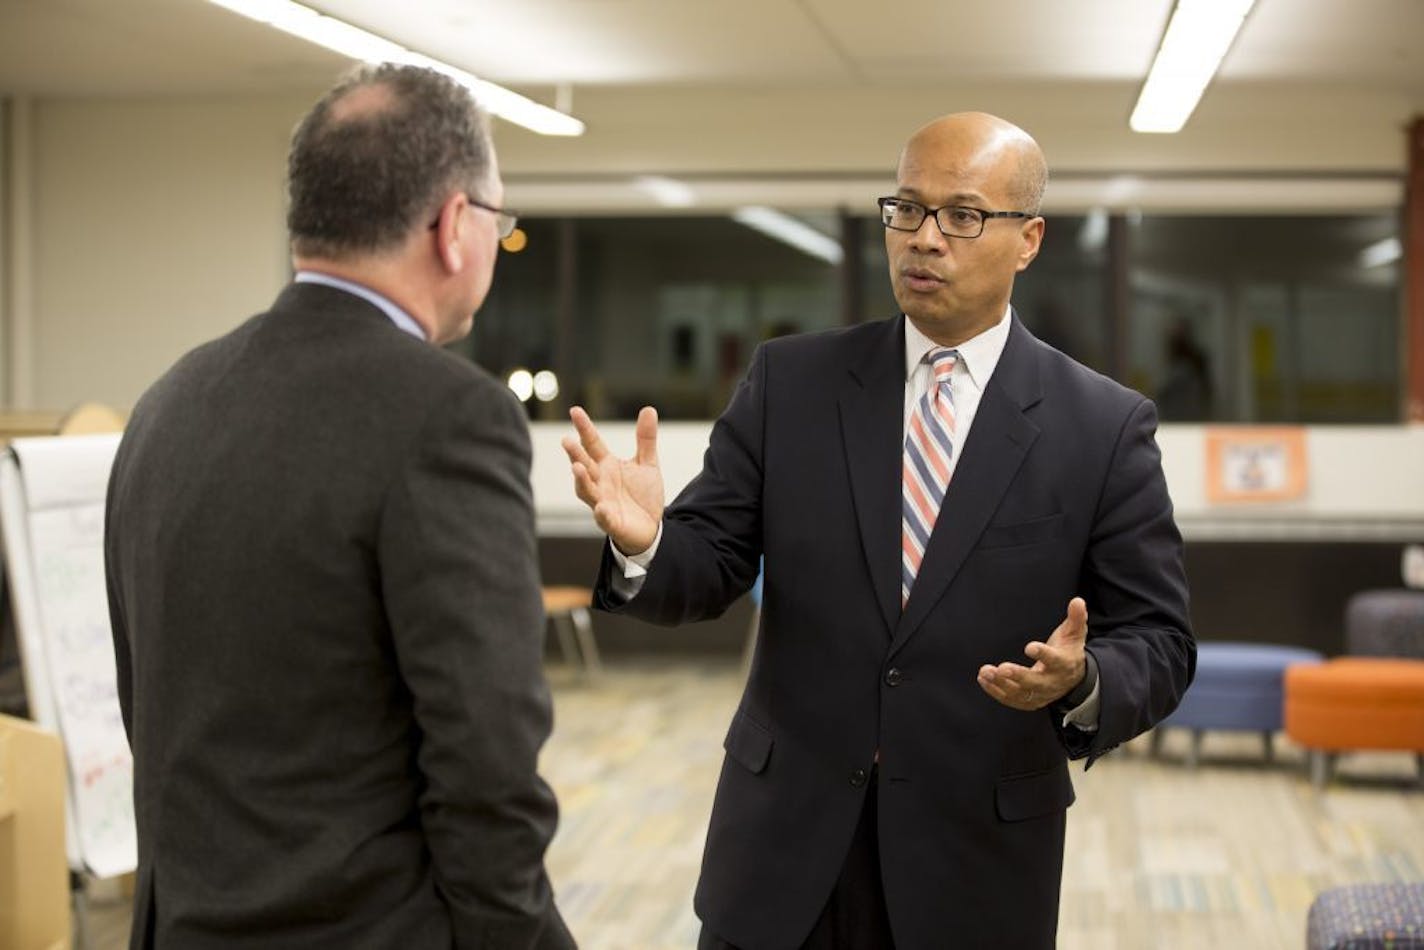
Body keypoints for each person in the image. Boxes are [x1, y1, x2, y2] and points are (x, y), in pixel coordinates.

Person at [563, 112, 1194, 949]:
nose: (924, 239)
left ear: (1029, 239)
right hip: (782, 857)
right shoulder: (791, 383)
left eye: (962, 215)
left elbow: (1159, 638)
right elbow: (707, 565)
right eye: (907, 208)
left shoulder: (1103, 425)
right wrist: (646, 542)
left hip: (974, 865)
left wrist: (1081, 682)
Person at [105, 64, 573, 949]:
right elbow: (486, 763)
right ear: (453, 226)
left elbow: (150, 704)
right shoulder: (449, 416)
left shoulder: (169, 400)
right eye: (497, 218)